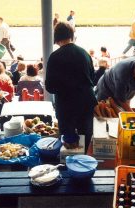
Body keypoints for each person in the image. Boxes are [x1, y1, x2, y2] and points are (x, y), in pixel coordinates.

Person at [45, 22, 97, 152]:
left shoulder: (54, 56)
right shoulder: (84, 53)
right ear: (71, 35)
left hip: (66, 105)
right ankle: (83, 163)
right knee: (85, 138)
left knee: (69, 143)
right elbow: (93, 79)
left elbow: (50, 87)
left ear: (56, 38)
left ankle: (69, 166)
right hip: (86, 101)